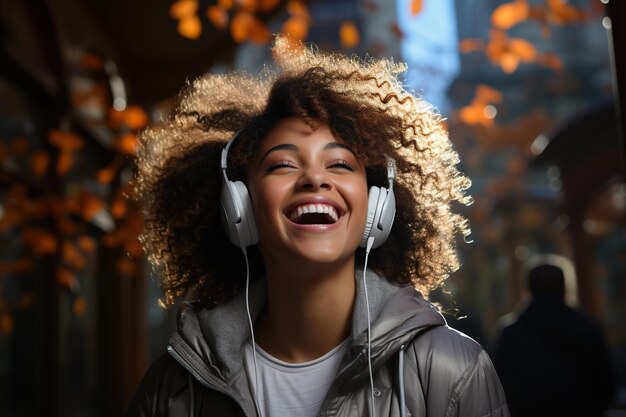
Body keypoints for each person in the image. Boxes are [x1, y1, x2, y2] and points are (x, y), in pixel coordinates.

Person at [126, 36, 509, 417]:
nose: (314, 178)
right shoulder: (172, 390)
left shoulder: (453, 371)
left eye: (340, 164)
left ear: (378, 206)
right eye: (283, 165)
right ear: (238, 205)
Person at [493, 254, 615, 417]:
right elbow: (606, 383)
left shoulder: (511, 333)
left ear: (528, 288)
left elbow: (498, 388)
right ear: (565, 286)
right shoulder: (586, 327)